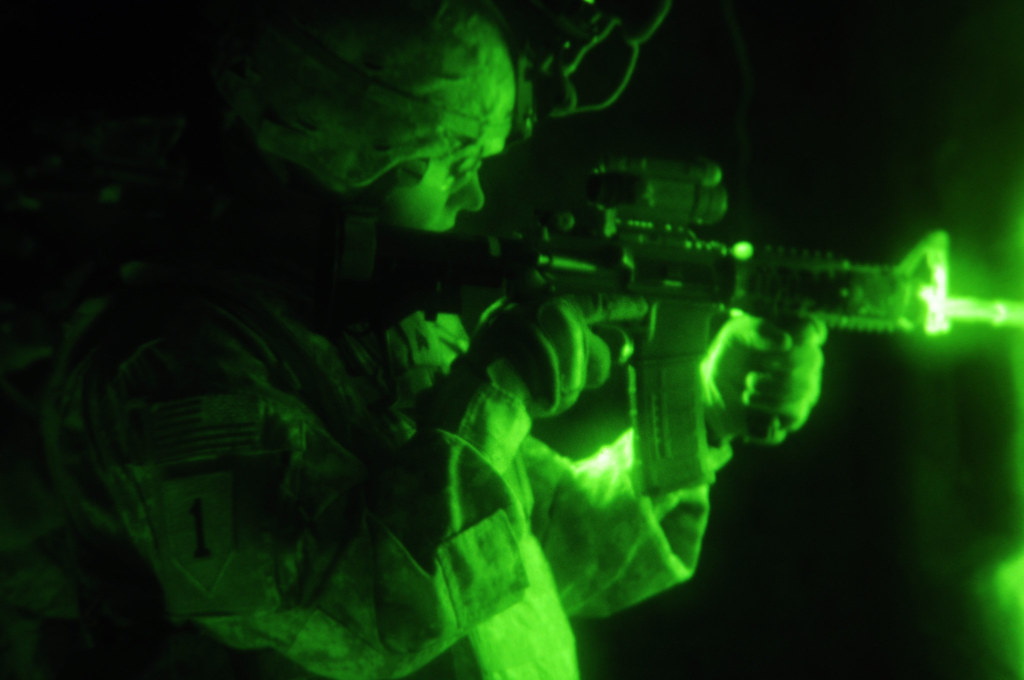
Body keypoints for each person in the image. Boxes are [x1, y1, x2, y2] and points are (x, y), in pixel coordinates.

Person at [39, 0, 826, 678]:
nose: (475, 194)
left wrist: (707, 407)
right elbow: (355, 623)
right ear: (346, 157)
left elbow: (548, 546)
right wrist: (504, 385)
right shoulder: (169, 368)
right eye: (451, 164)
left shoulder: (390, 322)